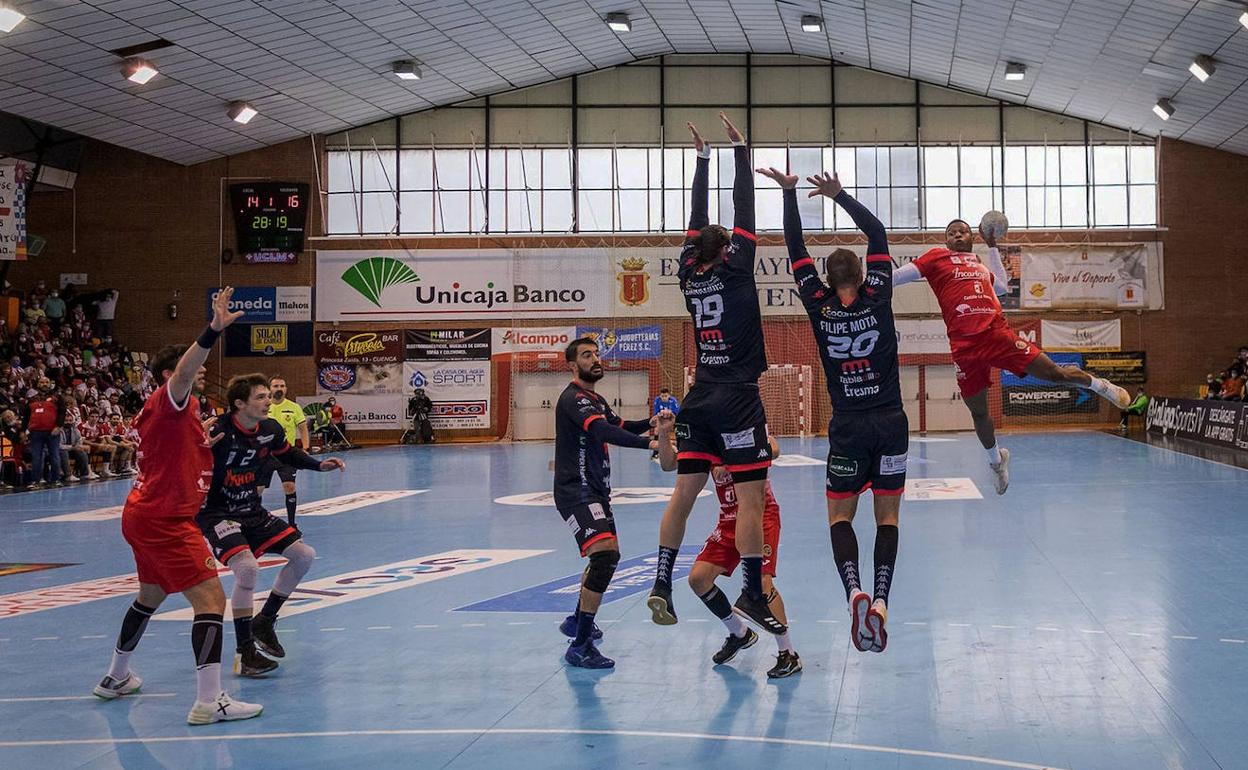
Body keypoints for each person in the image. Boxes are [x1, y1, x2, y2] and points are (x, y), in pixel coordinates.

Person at [93, 287, 263, 725]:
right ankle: (210, 700)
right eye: (194, 374)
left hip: (144, 514)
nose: (202, 377)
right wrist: (212, 331)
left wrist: (199, 442)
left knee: (149, 596)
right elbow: (187, 371)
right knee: (210, 599)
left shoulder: (182, 417)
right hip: (166, 519)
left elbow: (172, 453)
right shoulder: (170, 399)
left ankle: (116, 676)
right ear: (171, 376)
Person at [758, 166, 905, 654]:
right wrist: (840, 195)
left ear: (825, 278)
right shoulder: (879, 294)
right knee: (888, 519)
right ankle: (881, 602)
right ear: (864, 275)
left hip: (847, 426)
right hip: (891, 422)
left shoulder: (818, 303)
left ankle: (854, 592)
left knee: (840, 517)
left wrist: (789, 193)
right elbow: (877, 232)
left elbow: (794, 248)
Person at [648, 114, 781, 636]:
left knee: (683, 494)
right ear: (727, 249)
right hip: (738, 397)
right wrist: (740, 152)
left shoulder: (688, 272)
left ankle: (661, 581)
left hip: (698, 393)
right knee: (750, 498)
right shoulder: (736, 266)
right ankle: (751, 587)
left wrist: (701, 160)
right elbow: (743, 208)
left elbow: (695, 220)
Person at [893, 220, 1131, 494]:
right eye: (951, 232)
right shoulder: (937, 258)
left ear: (972, 238)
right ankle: (997, 461)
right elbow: (899, 276)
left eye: (963, 231)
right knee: (979, 412)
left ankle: (1102, 386)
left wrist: (993, 246)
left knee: (1054, 373)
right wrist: (875, 286)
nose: (957, 234)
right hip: (965, 348)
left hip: (997, 335)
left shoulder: (980, 266)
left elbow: (1003, 287)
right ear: (946, 240)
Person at [199, 373, 344, 677]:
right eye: (260, 397)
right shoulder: (219, 431)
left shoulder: (269, 428)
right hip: (217, 513)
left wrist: (319, 465)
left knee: (304, 555)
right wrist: (194, 444)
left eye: (268, 395)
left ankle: (265, 620)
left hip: (251, 509)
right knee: (248, 569)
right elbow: (186, 460)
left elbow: (287, 453)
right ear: (239, 403)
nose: (268, 401)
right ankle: (245, 651)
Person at [555, 337, 666, 669]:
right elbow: (603, 432)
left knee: (604, 556)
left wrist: (651, 422)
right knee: (605, 555)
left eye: (597, 354)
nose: (596, 359)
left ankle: (577, 620)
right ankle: (581, 644)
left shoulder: (595, 398)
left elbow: (619, 425)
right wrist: (651, 444)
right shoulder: (574, 399)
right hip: (576, 490)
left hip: (597, 491)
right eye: (587, 355)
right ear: (573, 365)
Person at [670, 436, 800, 678]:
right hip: (729, 520)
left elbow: (774, 448)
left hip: (761, 516)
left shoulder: (741, 425)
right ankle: (740, 633)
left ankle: (788, 653)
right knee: (698, 579)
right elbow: (671, 462)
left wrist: (729, 462)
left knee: (762, 584)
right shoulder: (706, 436)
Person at [260, 376, 309, 527]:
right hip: (264, 455)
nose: (279, 389)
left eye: (282, 386)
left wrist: (305, 448)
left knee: (290, 487)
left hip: (287, 454)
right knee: (257, 490)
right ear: (270, 389)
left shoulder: (294, 407)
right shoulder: (264, 406)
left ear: (286, 389)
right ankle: (254, 523)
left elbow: (302, 428)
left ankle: (292, 524)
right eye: (275, 386)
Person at [21, 379, 64, 488]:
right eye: (42, 382)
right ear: (38, 384)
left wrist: (58, 426)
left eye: (46, 382)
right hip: (35, 432)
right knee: (36, 457)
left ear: (50, 384)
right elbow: (26, 417)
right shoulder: (31, 399)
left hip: (52, 432)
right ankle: (36, 481)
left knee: (54, 456)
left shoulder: (57, 398)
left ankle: (56, 480)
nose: (44, 384)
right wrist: (23, 431)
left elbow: (62, 412)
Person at [650, 387, 680, 459]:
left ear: (669, 396)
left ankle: (679, 449)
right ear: (660, 396)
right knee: (656, 431)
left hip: (671, 419)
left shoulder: (673, 401)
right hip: (661, 419)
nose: (664, 398)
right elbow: (656, 413)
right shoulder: (657, 400)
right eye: (662, 396)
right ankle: (655, 452)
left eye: (665, 396)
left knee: (678, 430)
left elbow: (676, 413)